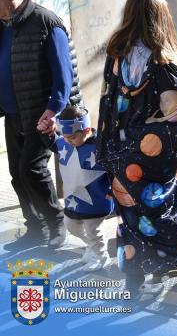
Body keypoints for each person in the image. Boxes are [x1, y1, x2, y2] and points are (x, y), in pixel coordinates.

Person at [96, 0, 177, 295]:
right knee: (161, 212)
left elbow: (106, 105)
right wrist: (161, 142)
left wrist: (108, 152)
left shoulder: (115, 57)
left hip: (122, 156)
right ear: (162, 20)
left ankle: (133, 278)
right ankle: (169, 262)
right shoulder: (163, 65)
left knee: (130, 220)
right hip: (150, 159)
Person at [0, 0, 83, 250]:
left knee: (32, 169)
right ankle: (35, 228)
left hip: (40, 114)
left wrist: (53, 110)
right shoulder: (5, 25)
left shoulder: (46, 22)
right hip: (13, 114)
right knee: (16, 172)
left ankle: (56, 224)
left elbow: (64, 75)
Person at [49, 106, 114, 271]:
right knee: (70, 224)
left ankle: (102, 257)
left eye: (71, 137)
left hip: (97, 200)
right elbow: (53, 144)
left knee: (93, 231)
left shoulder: (101, 147)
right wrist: (47, 132)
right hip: (73, 200)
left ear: (86, 131)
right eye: (64, 137)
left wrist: (114, 191)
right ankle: (92, 247)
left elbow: (117, 170)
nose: (67, 141)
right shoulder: (66, 142)